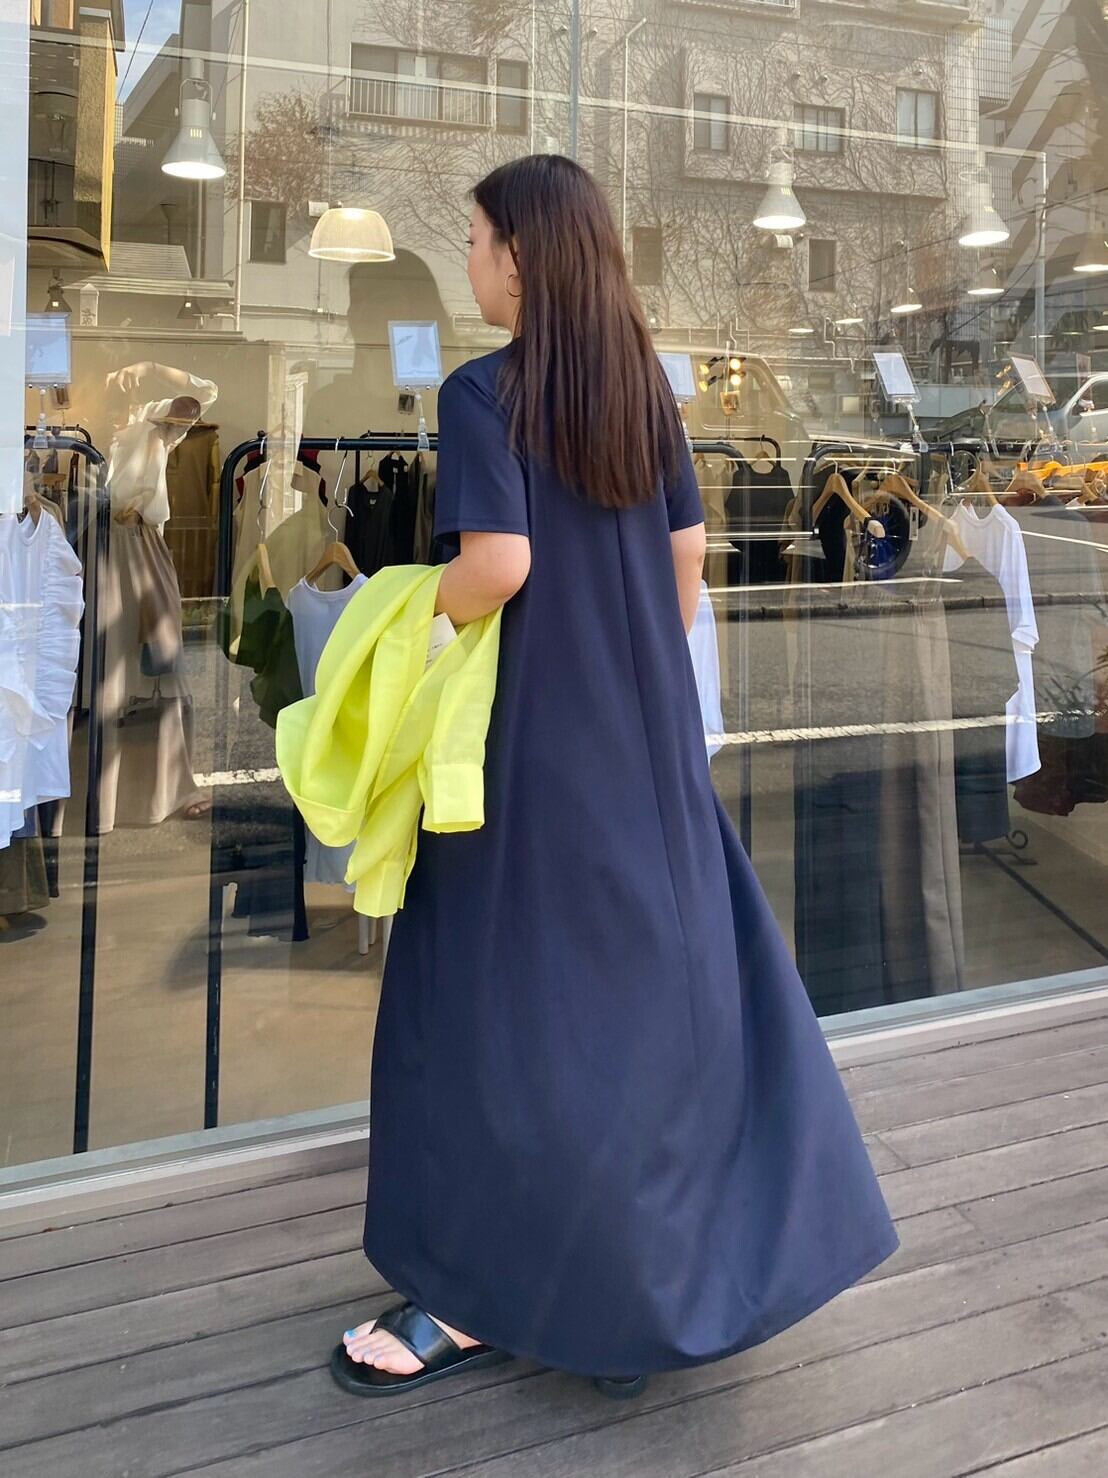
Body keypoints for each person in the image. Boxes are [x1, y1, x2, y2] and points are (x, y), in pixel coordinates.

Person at [332, 155, 898, 1399]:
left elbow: (500, 563)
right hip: (641, 738)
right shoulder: (643, 387)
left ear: (520, 256)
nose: (470, 260)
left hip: (525, 745)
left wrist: (406, 617)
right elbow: (687, 558)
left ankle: (468, 1294)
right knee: (645, 1011)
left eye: (475, 239)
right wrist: (626, 651)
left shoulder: (482, 391)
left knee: (482, 1007)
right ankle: (656, 1274)